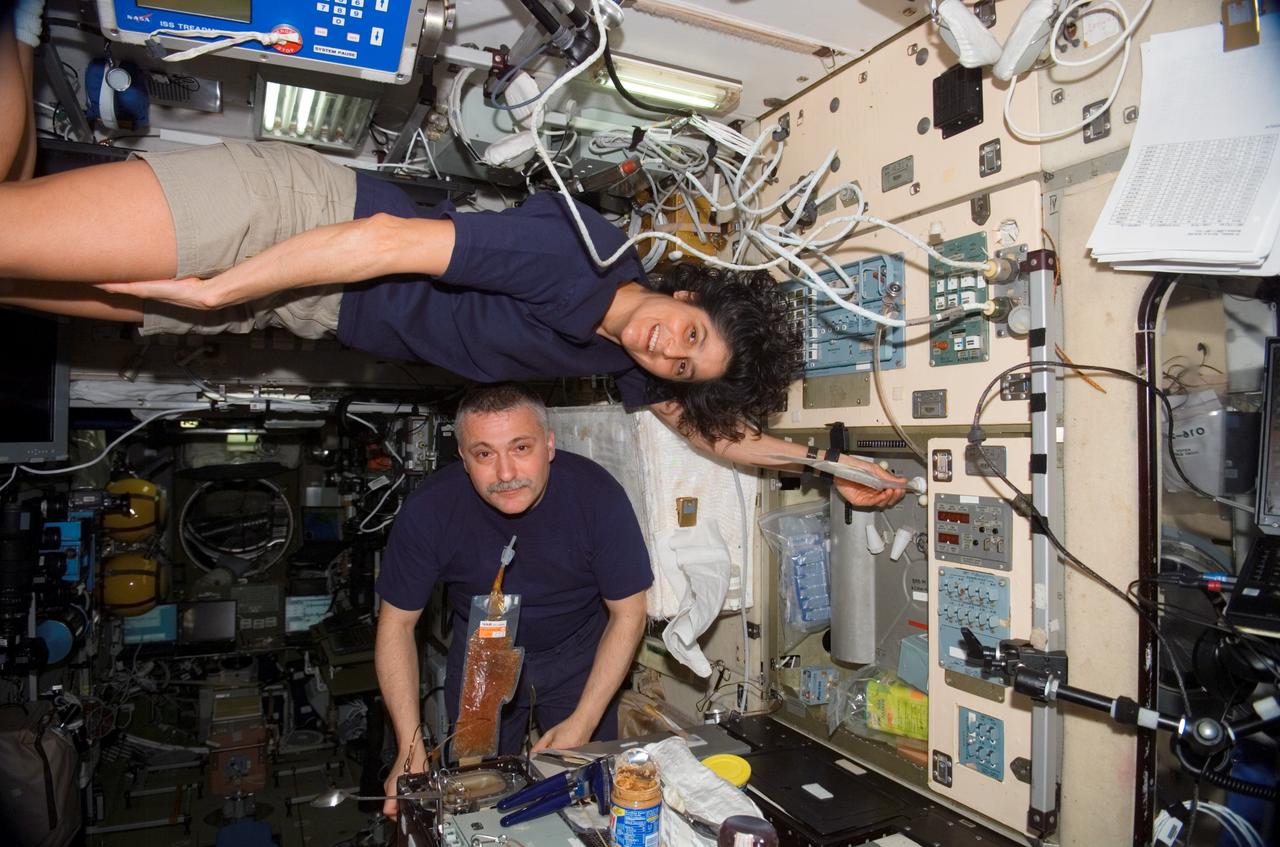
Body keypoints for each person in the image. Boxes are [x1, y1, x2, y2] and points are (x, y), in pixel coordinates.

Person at [0, 130, 905, 506]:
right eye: (690, 335)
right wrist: (221, 289)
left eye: (680, 367)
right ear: (692, 296)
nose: (668, 353)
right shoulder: (579, 267)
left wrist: (825, 463)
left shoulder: (624, 346)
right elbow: (389, 237)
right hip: (297, 219)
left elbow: (717, 436)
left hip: (313, 302)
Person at [374, 383, 650, 817]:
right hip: (483, 653)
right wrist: (410, 747)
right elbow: (396, 625)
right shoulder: (429, 510)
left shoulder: (598, 496)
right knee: (476, 791)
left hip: (578, 653)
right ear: (463, 459)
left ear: (550, 445)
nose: (505, 473)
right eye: (484, 454)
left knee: (587, 790)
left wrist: (583, 720)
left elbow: (629, 614)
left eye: (521, 447)